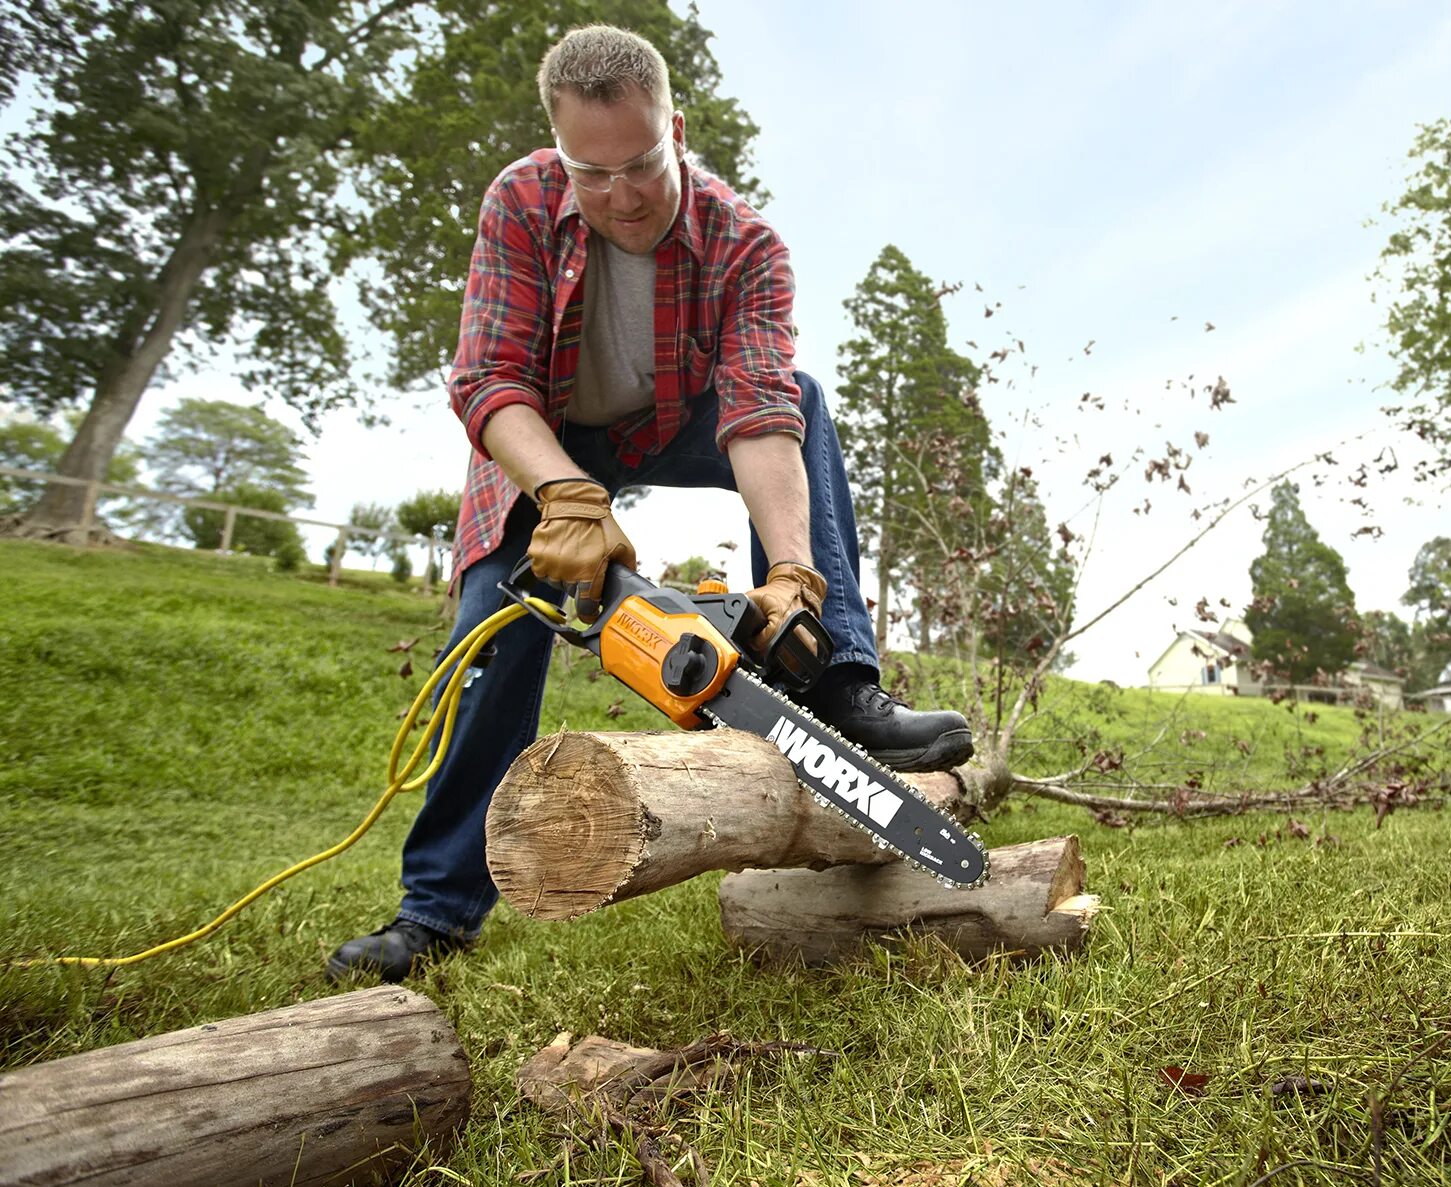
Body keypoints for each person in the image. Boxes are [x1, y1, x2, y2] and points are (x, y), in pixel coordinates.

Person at [327, 25, 973, 983]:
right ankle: (436, 912)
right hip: (548, 439)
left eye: (641, 166)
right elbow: (488, 379)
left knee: (802, 395)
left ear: (676, 131)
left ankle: (838, 679)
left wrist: (794, 572)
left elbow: (758, 409)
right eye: (594, 174)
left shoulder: (744, 242)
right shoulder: (519, 201)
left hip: (671, 421)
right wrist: (565, 496)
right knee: (492, 637)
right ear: (560, 151)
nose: (622, 195)